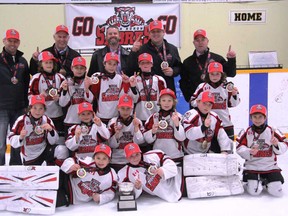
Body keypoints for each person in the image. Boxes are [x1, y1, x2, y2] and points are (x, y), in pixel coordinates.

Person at [236, 104, 288, 197]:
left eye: (260, 116)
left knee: (277, 192)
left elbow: (285, 144)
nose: (257, 119)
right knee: (254, 192)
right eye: (254, 117)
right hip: (252, 166)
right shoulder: (246, 131)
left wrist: (276, 144)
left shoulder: (272, 131)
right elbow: (238, 147)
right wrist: (249, 151)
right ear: (251, 118)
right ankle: (256, 180)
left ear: (265, 118)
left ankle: (266, 180)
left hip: (270, 167)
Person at [179, 29, 236, 104]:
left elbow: (231, 73)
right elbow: (183, 82)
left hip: (216, 102)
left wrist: (231, 60)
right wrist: (189, 98)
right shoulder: (187, 62)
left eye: (203, 39)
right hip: (197, 103)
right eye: (197, 40)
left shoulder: (217, 59)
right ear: (193, 43)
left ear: (207, 41)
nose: (200, 42)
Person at [8, 95, 68, 165]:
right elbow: (11, 138)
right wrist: (20, 137)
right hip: (30, 156)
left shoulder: (47, 120)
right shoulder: (21, 120)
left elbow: (53, 141)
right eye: (35, 108)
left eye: (41, 108)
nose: (37, 111)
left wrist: (51, 130)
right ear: (30, 108)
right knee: (33, 174)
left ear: (44, 110)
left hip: (44, 151)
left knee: (63, 150)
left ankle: (57, 172)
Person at [0, 29, 30, 165]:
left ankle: (16, 170)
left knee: (17, 142)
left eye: (15, 41)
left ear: (19, 43)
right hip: (2, 109)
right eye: (10, 40)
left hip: (19, 108)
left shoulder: (23, 61)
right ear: (4, 41)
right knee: (1, 144)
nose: (12, 44)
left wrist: (26, 106)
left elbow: (26, 85)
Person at [190, 62, 240, 141]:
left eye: (217, 74)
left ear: (222, 74)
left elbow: (234, 104)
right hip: (209, 125)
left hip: (226, 124)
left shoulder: (227, 87)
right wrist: (202, 102)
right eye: (212, 74)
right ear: (208, 74)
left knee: (228, 151)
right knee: (211, 151)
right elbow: (192, 101)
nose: (214, 76)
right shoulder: (202, 87)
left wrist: (234, 94)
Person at [128, 20, 182, 93]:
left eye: (158, 31)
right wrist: (133, 52)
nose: (156, 34)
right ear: (149, 34)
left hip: (168, 90)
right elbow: (132, 68)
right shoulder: (142, 49)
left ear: (163, 32)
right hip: (147, 90)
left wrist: (173, 71)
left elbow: (179, 67)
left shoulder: (172, 49)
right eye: (153, 32)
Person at [118, 143, 182, 202]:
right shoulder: (124, 173)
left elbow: (173, 166)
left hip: (179, 180)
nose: (135, 158)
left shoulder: (154, 155)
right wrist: (137, 188)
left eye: (137, 154)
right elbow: (130, 196)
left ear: (140, 152)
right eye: (131, 156)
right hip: (168, 195)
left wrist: (163, 170)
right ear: (127, 158)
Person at [28, 51, 66, 142]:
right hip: (43, 116)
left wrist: (59, 98)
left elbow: (66, 97)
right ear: (41, 64)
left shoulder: (60, 77)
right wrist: (38, 98)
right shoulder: (36, 78)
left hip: (58, 115)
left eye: (50, 62)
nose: (49, 65)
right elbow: (30, 96)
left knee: (58, 141)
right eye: (46, 62)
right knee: (44, 141)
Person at [88, 52, 131, 125]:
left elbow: (123, 96)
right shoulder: (97, 77)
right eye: (109, 63)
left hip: (115, 117)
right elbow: (92, 96)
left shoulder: (120, 78)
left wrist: (127, 83)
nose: (112, 66)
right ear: (104, 64)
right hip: (101, 117)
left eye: (114, 64)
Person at [143, 88, 185, 162]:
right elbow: (147, 140)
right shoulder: (153, 117)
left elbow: (182, 138)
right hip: (158, 157)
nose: (166, 103)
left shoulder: (179, 117)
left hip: (175, 157)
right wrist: (152, 132)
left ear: (173, 102)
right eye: (164, 100)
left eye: (169, 100)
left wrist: (177, 125)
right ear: (159, 102)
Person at [107, 94, 145, 171]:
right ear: (118, 108)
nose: (125, 111)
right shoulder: (112, 122)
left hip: (132, 160)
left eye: (128, 108)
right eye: (123, 108)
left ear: (132, 109)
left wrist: (136, 129)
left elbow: (141, 142)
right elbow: (111, 145)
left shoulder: (137, 121)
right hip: (116, 160)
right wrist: (116, 134)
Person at [59, 56, 94, 134]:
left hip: (86, 121)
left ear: (85, 69)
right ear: (72, 68)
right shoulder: (66, 82)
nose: (79, 70)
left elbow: (91, 101)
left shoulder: (89, 81)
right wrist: (65, 91)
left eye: (82, 68)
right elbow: (62, 103)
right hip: (70, 120)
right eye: (76, 68)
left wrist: (87, 88)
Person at [129, 53, 166, 125]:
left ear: (152, 64)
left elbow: (164, 99)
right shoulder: (135, 79)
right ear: (139, 65)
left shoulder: (159, 80)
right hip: (139, 117)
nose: (145, 65)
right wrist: (133, 87)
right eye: (142, 63)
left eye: (148, 63)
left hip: (155, 118)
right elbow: (133, 100)